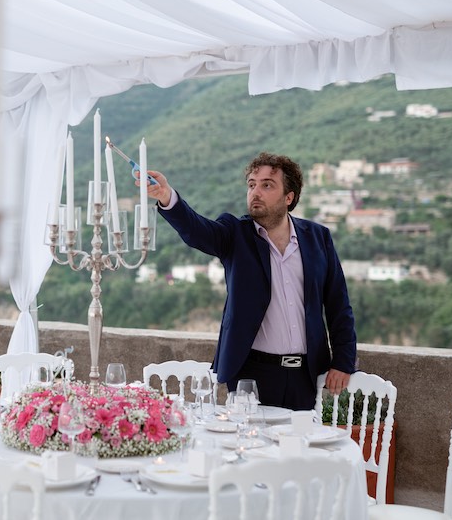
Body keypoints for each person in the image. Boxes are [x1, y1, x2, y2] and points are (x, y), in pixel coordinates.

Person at [146, 152, 356, 410]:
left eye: (267, 185)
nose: (256, 192)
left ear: (289, 197)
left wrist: (343, 362)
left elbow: (338, 304)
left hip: (306, 375)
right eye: (252, 184)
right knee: (251, 446)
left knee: (298, 449)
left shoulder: (317, 238)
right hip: (251, 374)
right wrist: (168, 197)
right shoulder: (234, 234)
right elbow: (197, 230)